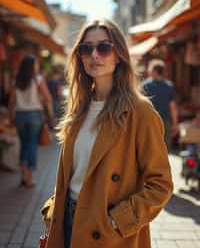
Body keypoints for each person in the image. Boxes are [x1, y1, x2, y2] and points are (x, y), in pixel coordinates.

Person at [41, 19, 173, 248]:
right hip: (67, 220)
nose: (94, 55)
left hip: (108, 231)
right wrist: (52, 209)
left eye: (103, 47)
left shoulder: (139, 111)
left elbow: (161, 184)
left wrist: (117, 220)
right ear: (79, 57)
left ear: (119, 54)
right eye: (86, 48)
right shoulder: (78, 108)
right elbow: (72, 174)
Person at [8, 55, 53, 187]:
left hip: (19, 115)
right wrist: (40, 101)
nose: (37, 66)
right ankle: (30, 178)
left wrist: (11, 117)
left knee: (23, 144)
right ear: (32, 66)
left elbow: (11, 101)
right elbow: (48, 97)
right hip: (34, 115)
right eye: (36, 64)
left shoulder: (16, 79)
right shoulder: (37, 79)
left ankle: (23, 175)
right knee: (32, 144)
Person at [142, 59, 179, 150]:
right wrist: (175, 123)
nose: (148, 71)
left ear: (154, 71)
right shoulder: (169, 85)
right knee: (165, 146)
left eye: (150, 69)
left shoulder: (145, 85)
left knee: (149, 146)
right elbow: (173, 106)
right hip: (165, 120)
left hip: (149, 121)